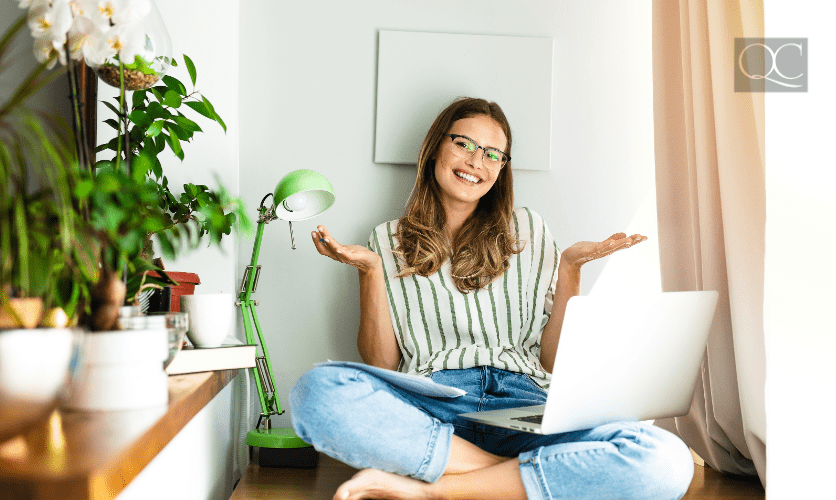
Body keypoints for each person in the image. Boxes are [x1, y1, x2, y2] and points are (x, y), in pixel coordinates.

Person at [289, 97, 694, 500]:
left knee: (665, 458)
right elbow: (382, 363)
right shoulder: (387, 240)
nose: (475, 161)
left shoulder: (529, 229)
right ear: (435, 147)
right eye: (464, 144)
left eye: (491, 153)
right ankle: (517, 481)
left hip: (527, 404)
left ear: (502, 168)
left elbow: (553, 361)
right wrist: (370, 271)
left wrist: (570, 269)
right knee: (316, 391)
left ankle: (435, 490)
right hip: (435, 405)